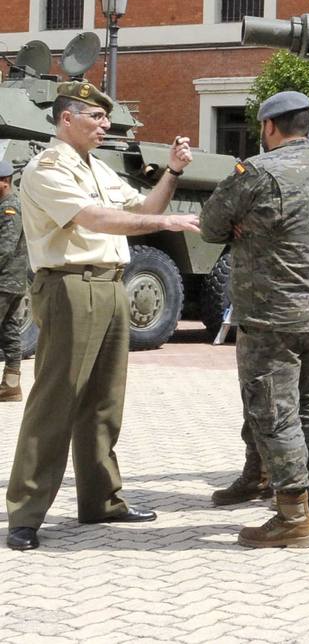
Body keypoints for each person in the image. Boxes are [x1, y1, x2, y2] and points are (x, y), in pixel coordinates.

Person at [5, 82, 198, 552]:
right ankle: (26, 514)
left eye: (105, 117)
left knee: (104, 401)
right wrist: (163, 224)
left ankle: (101, 500)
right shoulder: (48, 168)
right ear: (66, 119)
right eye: (96, 117)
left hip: (110, 284)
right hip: (70, 285)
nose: (105, 125)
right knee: (56, 399)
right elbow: (95, 219)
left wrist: (171, 173)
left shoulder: (96, 167)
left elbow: (145, 206)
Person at [200, 91, 309, 549]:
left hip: (270, 316)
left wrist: (245, 226)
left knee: (274, 412)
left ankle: (291, 517)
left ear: (269, 126)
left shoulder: (259, 171)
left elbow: (209, 227)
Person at [0, 160, 29, 403]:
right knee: (9, 330)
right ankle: (11, 386)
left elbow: (5, 248)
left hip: (4, 281)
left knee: (9, 329)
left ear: (5, 181)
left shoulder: (10, 207)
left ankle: (11, 385)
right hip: (12, 281)